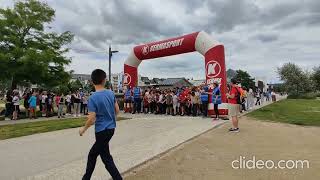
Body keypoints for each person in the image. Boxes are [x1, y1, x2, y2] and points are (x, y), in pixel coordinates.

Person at [79, 69, 122, 180]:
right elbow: (117, 111)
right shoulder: (111, 93)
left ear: (92, 82)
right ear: (104, 80)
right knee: (105, 157)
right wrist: (110, 118)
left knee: (93, 155)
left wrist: (83, 129)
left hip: (101, 131)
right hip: (111, 129)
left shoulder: (93, 97)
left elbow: (92, 119)